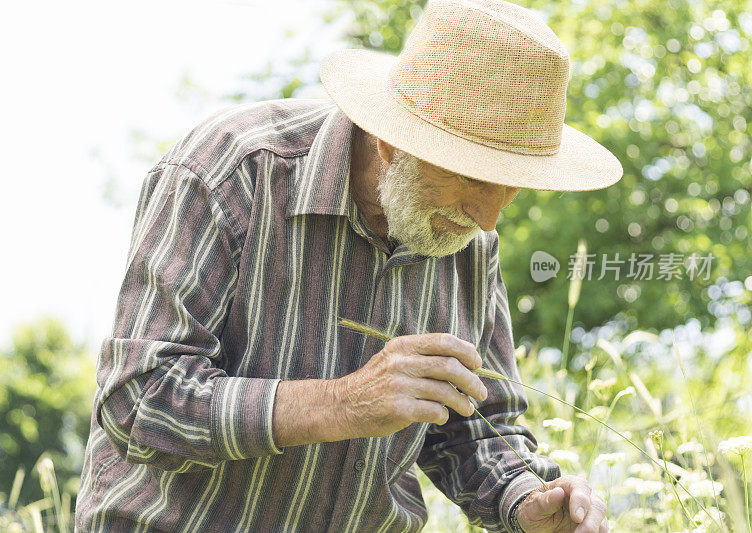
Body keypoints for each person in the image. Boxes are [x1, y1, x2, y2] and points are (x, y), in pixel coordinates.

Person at [75, 0, 623, 531]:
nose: (487, 219)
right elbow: (138, 398)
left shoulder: (466, 237)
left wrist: (526, 500)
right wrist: (343, 403)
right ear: (391, 140)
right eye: (474, 178)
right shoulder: (230, 173)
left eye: (512, 187)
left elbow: (477, 429)